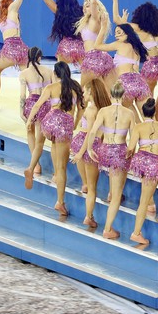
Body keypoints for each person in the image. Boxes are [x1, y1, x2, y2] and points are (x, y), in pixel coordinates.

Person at [24, 62, 85, 217]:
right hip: (64, 124)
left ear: (56, 74)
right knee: (62, 167)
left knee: (40, 142)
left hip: (49, 122)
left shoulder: (50, 88)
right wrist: (75, 123)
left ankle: (31, 168)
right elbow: (81, 109)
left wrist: (30, 120)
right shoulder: (75, 86)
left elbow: (37, 106)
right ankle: (60, 201)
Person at [86, 82, 135, 239]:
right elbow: (133, 139)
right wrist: (131, 154)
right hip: (120, 152)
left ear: (111, 95)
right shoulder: (129, 113)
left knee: (114, 190)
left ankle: (110, 196)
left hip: (105, 151)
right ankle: (107, 229)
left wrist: (89, 149)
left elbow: (93, 131)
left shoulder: (103, 111)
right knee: (116, 196)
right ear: (123, 95)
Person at [94, 13, 150, 121]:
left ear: (127, 33)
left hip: (125, 84)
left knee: (123, 116)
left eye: (119, 33)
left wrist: (103, 28)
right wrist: (123, 23)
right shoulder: (137, 48)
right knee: (146, 118)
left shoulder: (119, 44)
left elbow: (97, 46)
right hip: (140, 83)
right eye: (115, 33)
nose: (116, 36)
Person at [70, 78, 111, 228]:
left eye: (84, 91)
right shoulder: (104, 109)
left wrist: (80, 152)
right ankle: (88, 216)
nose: (82, 94)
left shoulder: (91, 110)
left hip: (86, 146)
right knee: (90, 187)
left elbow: (90, 133)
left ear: (90, 92)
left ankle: (88, 215)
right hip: (89, 147)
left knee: (89, 186)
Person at [127, 98, 158, 244]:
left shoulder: (138, 127)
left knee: (146, 192)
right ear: (155, 112)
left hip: (140, 160)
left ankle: (151, 204)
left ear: (142, 113)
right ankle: (136, 232)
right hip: (153, 162)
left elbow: (131, 148)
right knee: (143, 201)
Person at [74, 0, 115, 88]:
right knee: (105, 94)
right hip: (101, 58)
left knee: (83, 93)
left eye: (87, 6)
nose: (85, 7)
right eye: (84, 6)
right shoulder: (89, 21)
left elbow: (92, 2)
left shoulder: (95, 19)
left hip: (93, 59)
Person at [19, 47, 54, 176]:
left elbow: (23, 95)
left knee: (30, 132)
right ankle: (37, 165)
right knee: (40, 137)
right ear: (40, 57)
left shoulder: (24, 73)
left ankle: (36, 165)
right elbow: (55, 90)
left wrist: (21, 111)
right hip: (45, 104)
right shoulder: (49, 71)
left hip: (31, 104)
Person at [41, 0, 85, 66]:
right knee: (86, 73)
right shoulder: (82, 11)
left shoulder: (58, 11)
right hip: (80, 47)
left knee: (60, 74)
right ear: (75, 1)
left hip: (65, 47)